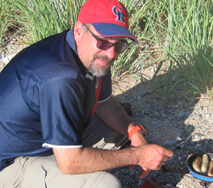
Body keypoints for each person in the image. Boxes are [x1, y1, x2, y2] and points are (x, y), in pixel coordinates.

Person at [0, 0, 173, 187]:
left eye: (119, 44)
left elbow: (104, 102)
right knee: (106, 184)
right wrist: (138, 155)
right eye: (103, 41)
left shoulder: (87, 54)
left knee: (124, 137)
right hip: (11, 161)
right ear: (79, 30)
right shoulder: (60, 77)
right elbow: (69, 162)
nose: (111, 53)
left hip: (43, 134)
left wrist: (134, 132)